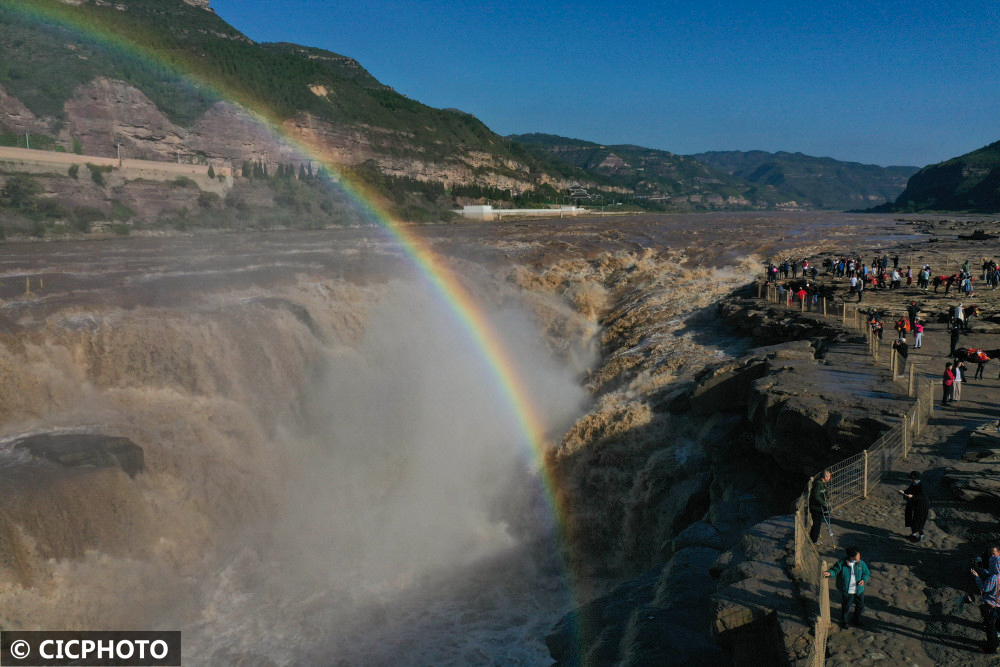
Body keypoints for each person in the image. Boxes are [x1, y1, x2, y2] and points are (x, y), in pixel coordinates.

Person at [824, 548, 871, 629]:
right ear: (851, 557)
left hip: (859, 590)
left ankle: (855, 620)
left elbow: (866, 573)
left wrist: (863, 580)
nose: (859, 558)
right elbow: (835, 571)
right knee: (846, 607)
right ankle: (844, 621)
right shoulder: (841, 563)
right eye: (857, 557)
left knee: (860, 606)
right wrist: (829, 573)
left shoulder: (861, 563)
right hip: (848, 591)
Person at [972, 552, 1000, 654]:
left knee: (990, 629)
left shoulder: (994, 578)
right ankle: (997, 640)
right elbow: (991, 573)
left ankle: (991, 649)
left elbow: (984, 588)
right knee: (997, 626)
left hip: (991, 606)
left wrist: (977, 577)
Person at [899, 471, 927, 541]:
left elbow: (922, 496)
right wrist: (904, 492)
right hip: (914, 503)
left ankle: (922, 535)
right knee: (911, 518)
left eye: (914, 479)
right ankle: (913, 534)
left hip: (921, 505)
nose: (912, 480)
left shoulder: (922, 485)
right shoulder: (914, 483)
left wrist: (912, 496)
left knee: (918, 520)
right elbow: (909, 489)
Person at [809, 469, 831, 544]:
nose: (829, 478)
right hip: (816, 507)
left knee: (818, 523)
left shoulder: (822, 483)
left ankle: (814, 538)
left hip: (818, 506)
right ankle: (813, 539)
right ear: (825, 477)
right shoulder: (819, 484)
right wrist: (824, 503)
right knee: (816, 523)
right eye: (829, 477)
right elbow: (816, 496)